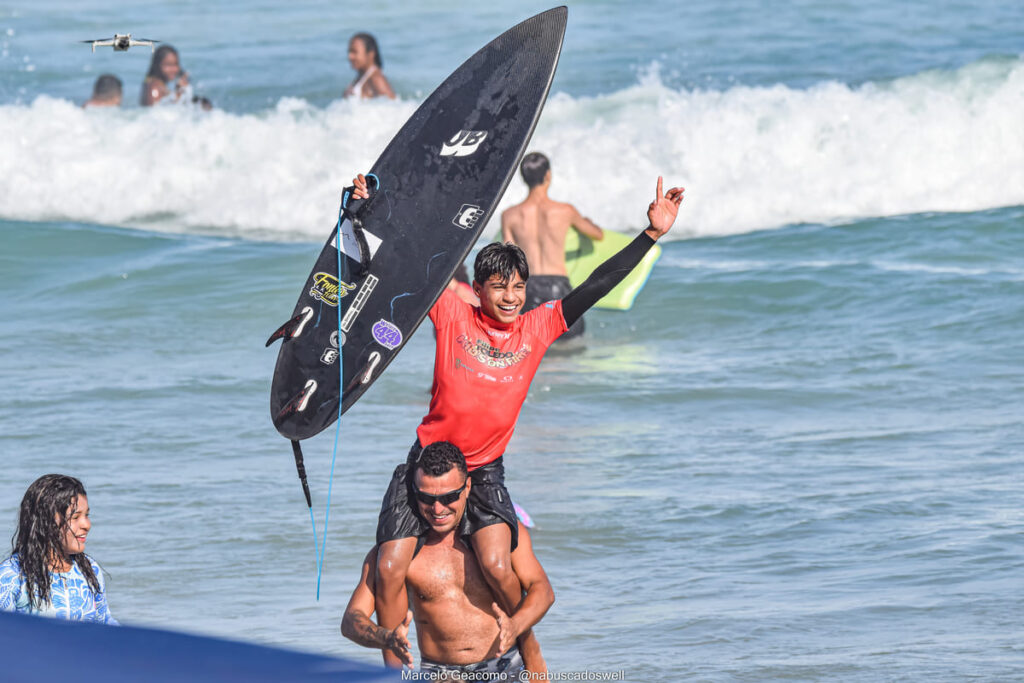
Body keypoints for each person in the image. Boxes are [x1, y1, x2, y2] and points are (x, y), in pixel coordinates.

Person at [350, 172, 683, 668]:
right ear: (477, 288)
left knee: (497, 565)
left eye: (519, 287)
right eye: (499, 287)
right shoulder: (452, 311)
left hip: (483, 466)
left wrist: (650, 234)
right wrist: (368, 210)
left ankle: (530, 651)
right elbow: (403, 261)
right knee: (391, 566)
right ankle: (399, 674)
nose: (511, 297)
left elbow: (596, 284)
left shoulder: (539, 326)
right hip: (429, 465)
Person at [341, 442, 553, 677]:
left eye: (449, 497)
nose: (438, 508)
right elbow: (351, 620)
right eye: (426, 498)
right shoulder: (401, 553)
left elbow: (542, 589)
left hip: (505, 667)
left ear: (468, 487)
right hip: (440, 675)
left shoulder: (500, 539)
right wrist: (386, 637)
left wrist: (517, 625)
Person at [501, 152, 606, 339]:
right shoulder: (565, 211)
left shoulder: (510, 215)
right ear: (548, 175)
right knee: (571, 342)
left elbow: (508, 259)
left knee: (533, 343)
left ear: (523, 178)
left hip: (527, 286)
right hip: (559, 286)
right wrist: (589, 222)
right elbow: (597, 235)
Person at [0, 474, 117, 624]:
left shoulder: (89, 569)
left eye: (87, 515)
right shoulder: (12, 576)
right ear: (46, 522)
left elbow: (105, 624)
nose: (87, 525)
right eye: (75, 517)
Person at [343, 33, 395, 99]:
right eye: (349, 52)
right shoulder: (362, 76)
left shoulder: (376, 78)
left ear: (371, 54)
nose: (350, 56)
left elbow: (393, 104)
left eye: (354, 52)